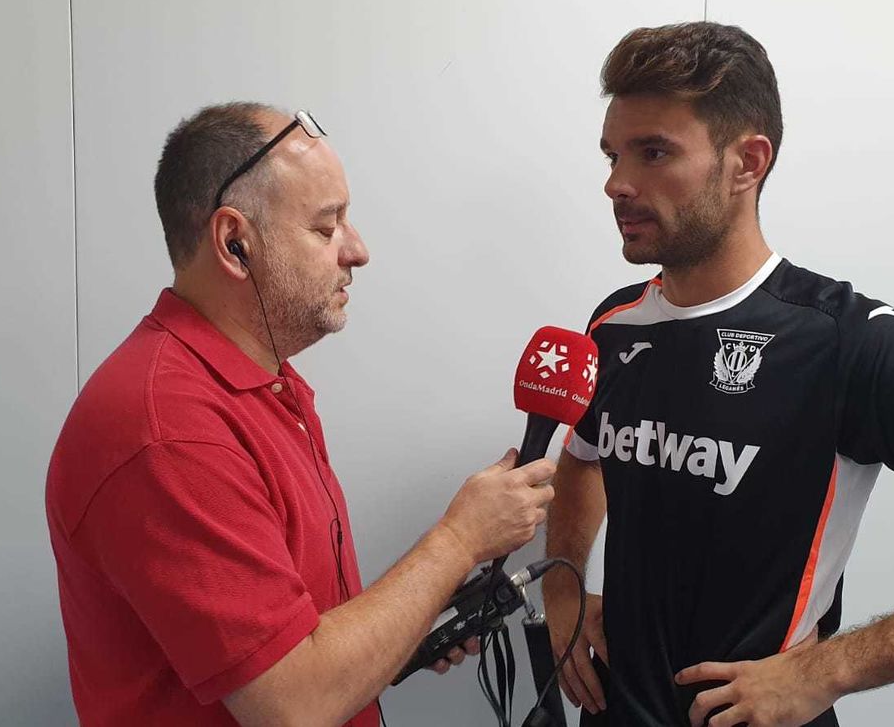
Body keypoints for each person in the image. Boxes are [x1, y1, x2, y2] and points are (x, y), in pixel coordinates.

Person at [541, 23, 894, 727]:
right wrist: (562, 587)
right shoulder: (613, 324)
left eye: (654, 152)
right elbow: (584, 461)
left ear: (746, 161)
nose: (616, 183)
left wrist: (828, 668)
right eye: (613, 153)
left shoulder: (849, 342)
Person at [46, 102, 556, 726]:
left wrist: (413, 616)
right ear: (235, 244)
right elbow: (293, 703)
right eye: (327, 227)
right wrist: (457, 542)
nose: (359, 250)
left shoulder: (267, 387)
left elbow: (292, 637)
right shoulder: (170, 431)